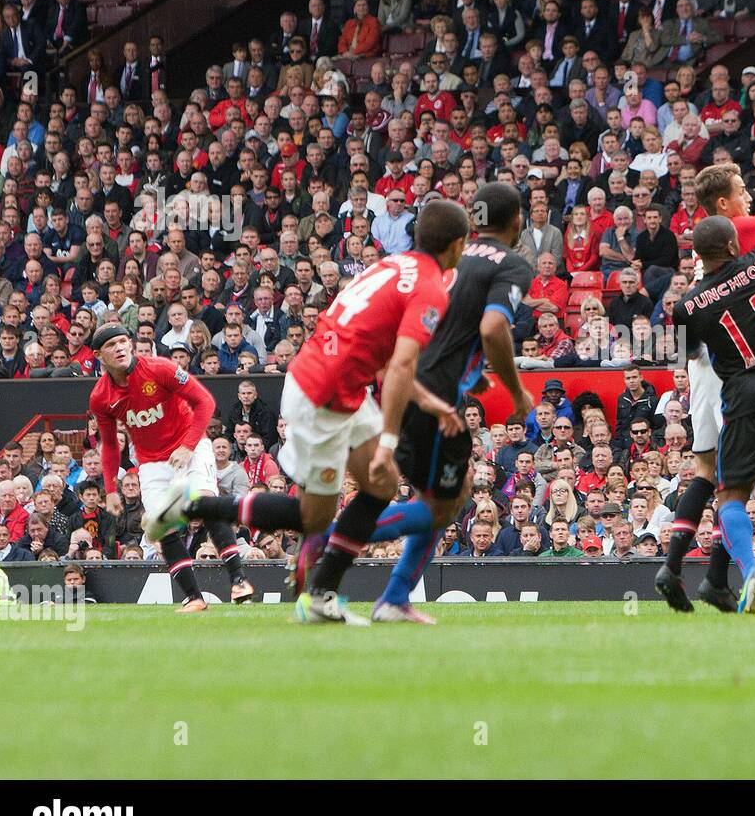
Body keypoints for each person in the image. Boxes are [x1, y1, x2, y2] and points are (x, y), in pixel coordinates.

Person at [156, 201, 469, 625]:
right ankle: (194, 507)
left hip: (338, 382)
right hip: (322, 395)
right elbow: (398, 366)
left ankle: (322, 594)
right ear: (457, 245)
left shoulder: (392, 267)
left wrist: (428, 403)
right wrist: (390, 440)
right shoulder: (431, 288)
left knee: (382, 484)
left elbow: (377, 353)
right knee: (313, 515)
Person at [319, 183, 537, 619]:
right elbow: (494, 329)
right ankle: (338, 540)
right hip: (435, 397)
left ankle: (393, 596)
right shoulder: (511, 264)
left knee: (444, 498)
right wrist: (517, 393)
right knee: (445, 504)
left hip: (409, 385)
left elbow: (445, 324)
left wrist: (471, 377)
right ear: (517, 222)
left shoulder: (449, 261)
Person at [653, 163, 755, 612]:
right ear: (733, 240)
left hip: (739, 400)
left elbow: (687, 353)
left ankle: (745, 572)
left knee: (727, 489)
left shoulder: (688, 305)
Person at [87, 325, 253, 613]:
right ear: (99, 355)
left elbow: (205, 402)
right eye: (112, 345)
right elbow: (111, 444)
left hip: (189, 445)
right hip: (151, 462)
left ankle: (239, 580)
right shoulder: (100, 396)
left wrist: (188, 445)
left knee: (205, 505)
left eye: (124, 341)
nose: (121, 348)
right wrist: (110, 488)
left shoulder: (160, 368)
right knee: (159, 525)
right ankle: (194, 598)